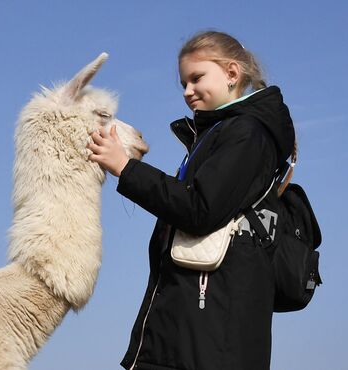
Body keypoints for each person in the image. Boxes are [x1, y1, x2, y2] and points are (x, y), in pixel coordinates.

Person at [87, 31, 295, 370]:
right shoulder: (222, 133)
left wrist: (126, 169)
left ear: (231, 74)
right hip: (191, 331)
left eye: (197, 78)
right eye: (183, 82)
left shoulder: (247, 133)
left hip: (209, 338)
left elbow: (200, 209)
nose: (187, 91)